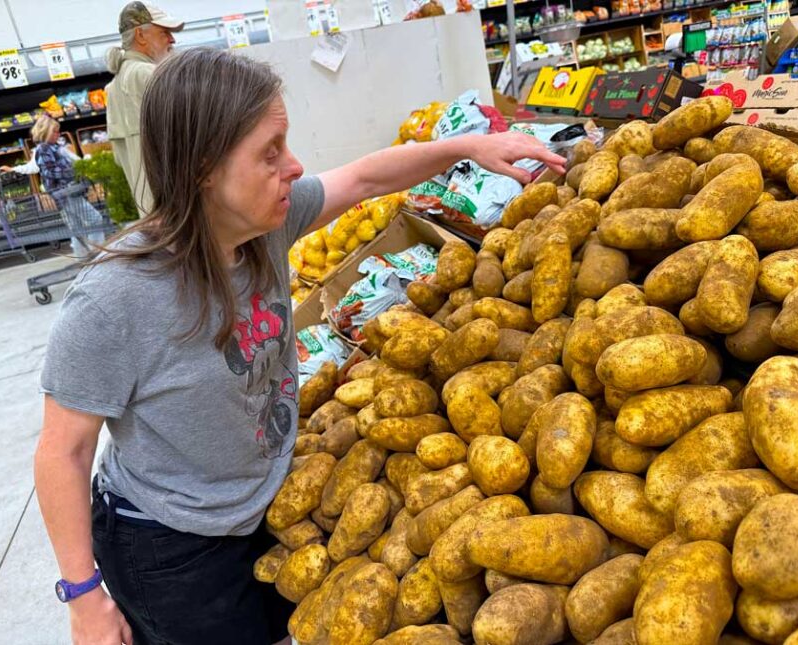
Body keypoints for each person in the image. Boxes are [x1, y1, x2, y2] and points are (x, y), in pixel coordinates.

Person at [34, 47, 565, 645]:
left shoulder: (264, 228)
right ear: (205, 167)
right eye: (270, 152)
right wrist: (83, 598)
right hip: (172, 544)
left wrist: (466, 147)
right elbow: (62, 454)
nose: (294, 166)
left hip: (264, 504)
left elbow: (366, 176)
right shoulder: (114, 300)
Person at [105, 1, 183, 217]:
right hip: (178, 209)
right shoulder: (149, 75)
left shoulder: (113, 87)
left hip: (151, 216)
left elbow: (121, 159)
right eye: (164, 32)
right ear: (140, 35)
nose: (172, 39)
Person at [3, 115, 106, 258]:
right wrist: (75, 172)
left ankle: (82, 257)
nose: (58, 134)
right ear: (45, 132)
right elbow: (50, 171)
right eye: (55, 131)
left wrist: (83, 165)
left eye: (58, 131)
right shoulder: (44, 149)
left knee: (76, 228)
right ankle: (98, 253)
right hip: (66, 192)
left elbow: (69, 162)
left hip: (64, 194)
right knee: (95, 219)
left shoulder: (54, 147)